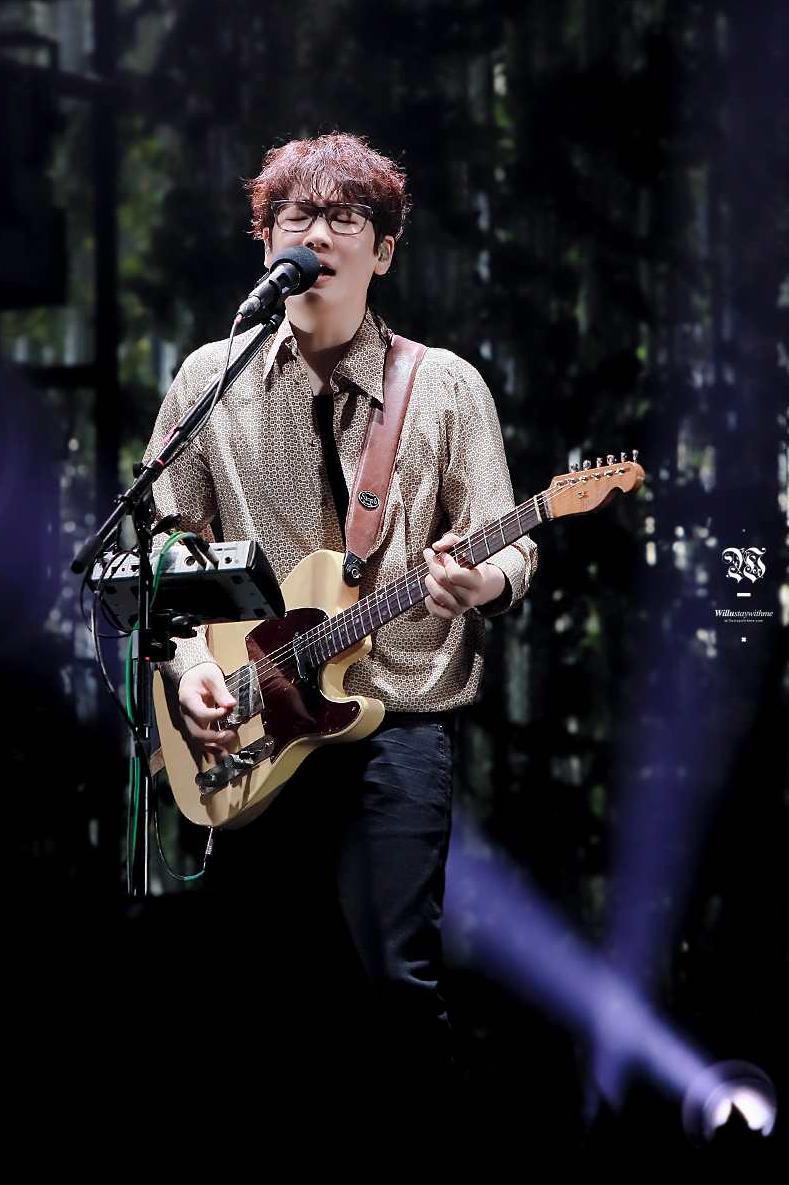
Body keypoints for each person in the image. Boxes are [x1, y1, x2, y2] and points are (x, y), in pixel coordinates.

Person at [145, 133, 537, 1096]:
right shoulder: (209, 381)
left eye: (344, 219)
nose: (317, 235)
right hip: (252, 726)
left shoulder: (443, 387)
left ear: (383, 250)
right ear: (266, 242)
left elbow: (511, 540)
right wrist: (191, 666)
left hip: (396, 719)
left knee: (392, 982)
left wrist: (481, 584)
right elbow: (163, 549)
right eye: (297, 218)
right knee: (255, 992)